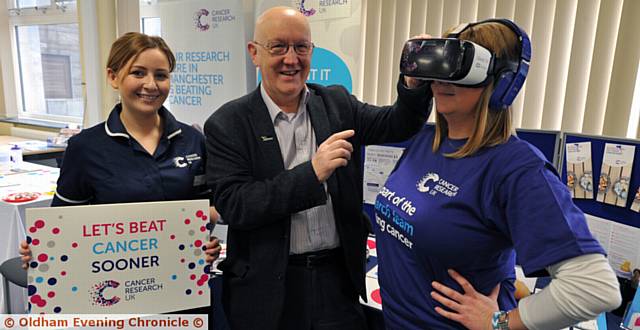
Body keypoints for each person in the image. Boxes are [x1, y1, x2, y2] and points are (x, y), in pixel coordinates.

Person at [372, 19, 621, 329]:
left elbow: (594, 288)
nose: (443, 79)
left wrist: (499, 323)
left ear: (502, 83)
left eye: (461, 68)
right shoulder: (427, 142)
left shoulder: (515, 168)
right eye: (440, 65)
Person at [204, 6, 431, 330]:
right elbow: (237, 205)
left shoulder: (336, 103)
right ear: (255, 53)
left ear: (312, 51)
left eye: (301, 47)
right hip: (267, 293)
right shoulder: (229, 123)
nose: (291, 59)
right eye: (278, 47)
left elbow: (398, 124)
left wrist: (413, 82)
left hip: (337, 283)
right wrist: (312, 173)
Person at [19, 32, 221, 312]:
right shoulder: (85, 148)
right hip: (114, 297)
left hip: (181, 291)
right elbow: (61, 221)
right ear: (113, 76)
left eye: (161, 75)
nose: (151, 85)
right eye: (138, 73)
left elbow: (207, 206)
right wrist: (43, 249)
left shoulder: (192, 141)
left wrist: (205, 239)